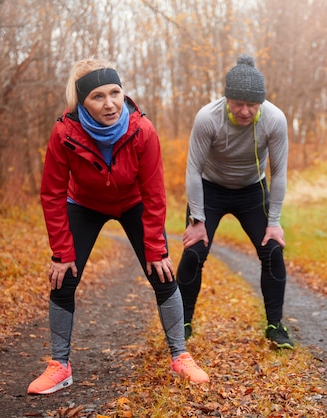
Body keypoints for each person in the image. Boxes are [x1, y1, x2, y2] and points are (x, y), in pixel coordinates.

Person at [28, 58, 208, 395]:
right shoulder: (64, 134)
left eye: (115, 92)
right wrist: (62, 252)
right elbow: (51, 193)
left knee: (163, 271)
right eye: (97, 96)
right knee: (62, 276)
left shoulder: (142, 130)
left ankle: (180, 356)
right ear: (82, 102)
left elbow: (155, 193)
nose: (110, 103)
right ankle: (59, 365)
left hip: (133, 202)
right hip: (84, 203)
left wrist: (156, 247)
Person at [177, 54, 294, 349]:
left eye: (251, 105)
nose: (244, 111)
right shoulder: (207, 118)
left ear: (261, 102)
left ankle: (275, 326)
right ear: (227, 99)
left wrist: (275, 221)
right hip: (209, 189)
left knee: (273, 250)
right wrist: (197, 221)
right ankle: (183, 323)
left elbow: (279, 173)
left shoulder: (274, 119)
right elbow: (192, 169)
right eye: (238, 103)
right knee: (194, 252)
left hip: (252, 191)